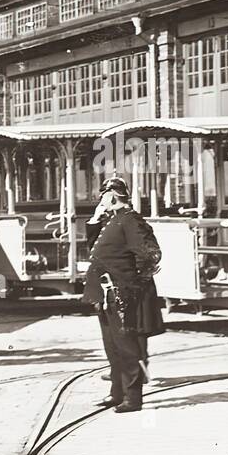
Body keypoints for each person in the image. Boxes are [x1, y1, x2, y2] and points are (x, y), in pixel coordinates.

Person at [82, 176, 165, 412]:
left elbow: (149, 254)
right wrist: (95, 218)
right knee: (112, 346)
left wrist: (133, 283)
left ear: (113, 196)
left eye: (104, 196)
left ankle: (133, 397)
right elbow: (94, 249)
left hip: (120, 293)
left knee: (127, 347)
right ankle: (117, 392)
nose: (101, 199)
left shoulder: (130, 221)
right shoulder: (112, 220)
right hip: (105, 293)